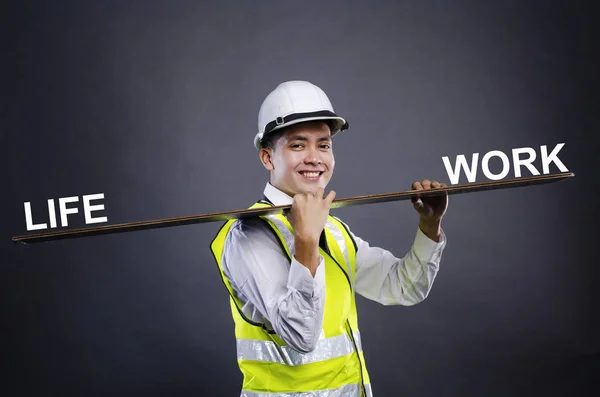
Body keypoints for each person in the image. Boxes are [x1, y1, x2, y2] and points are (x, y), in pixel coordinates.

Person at [210, 80, 448, 397]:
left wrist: (429, 226)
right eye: (298, 145)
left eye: (323, 145)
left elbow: (403, 287)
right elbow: (302, 335)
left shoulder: (333, 229)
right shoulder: (249, 235)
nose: (314, 158)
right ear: (267, 158)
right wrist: (306, 244)